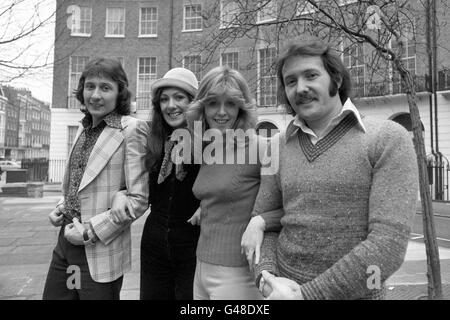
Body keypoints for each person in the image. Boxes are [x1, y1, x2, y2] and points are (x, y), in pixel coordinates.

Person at [242, 41, 419, 300]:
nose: (300, 88)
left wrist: (305, 296)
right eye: (290, 81)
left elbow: (388, 247)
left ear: (335, 77)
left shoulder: (388, 139)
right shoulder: (275, 147)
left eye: (311, 75)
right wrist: (266, 277)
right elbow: (265, 223)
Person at [43, 58, 149, 300]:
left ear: (119, 92)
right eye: (90, 86)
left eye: (105, 87)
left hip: (100, 250)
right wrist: (61, 207)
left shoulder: (131, 129)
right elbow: (78, 184)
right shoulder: (84, 126)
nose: (95, 95)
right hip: (65, 243)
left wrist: (90, 232)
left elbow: (138, 200)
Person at [110, 67, 201, 299]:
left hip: (195, 246)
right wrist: (121, 193)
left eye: (179, 97)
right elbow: (135, 183)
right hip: (154, 245)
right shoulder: (151, 140)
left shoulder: (209, 142)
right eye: (164, 99)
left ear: (194, 103)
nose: (170, 105)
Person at [186, 66, 269, 300]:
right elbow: (228, 188)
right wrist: (206, 207)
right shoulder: (208, 147)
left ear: (241, 108)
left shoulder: (261, 147)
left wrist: (260, 222)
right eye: (213, 103)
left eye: (230, 104)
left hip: (237, 275)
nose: (221, 112)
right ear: (202, 107)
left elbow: (288, 203)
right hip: (201, 268)